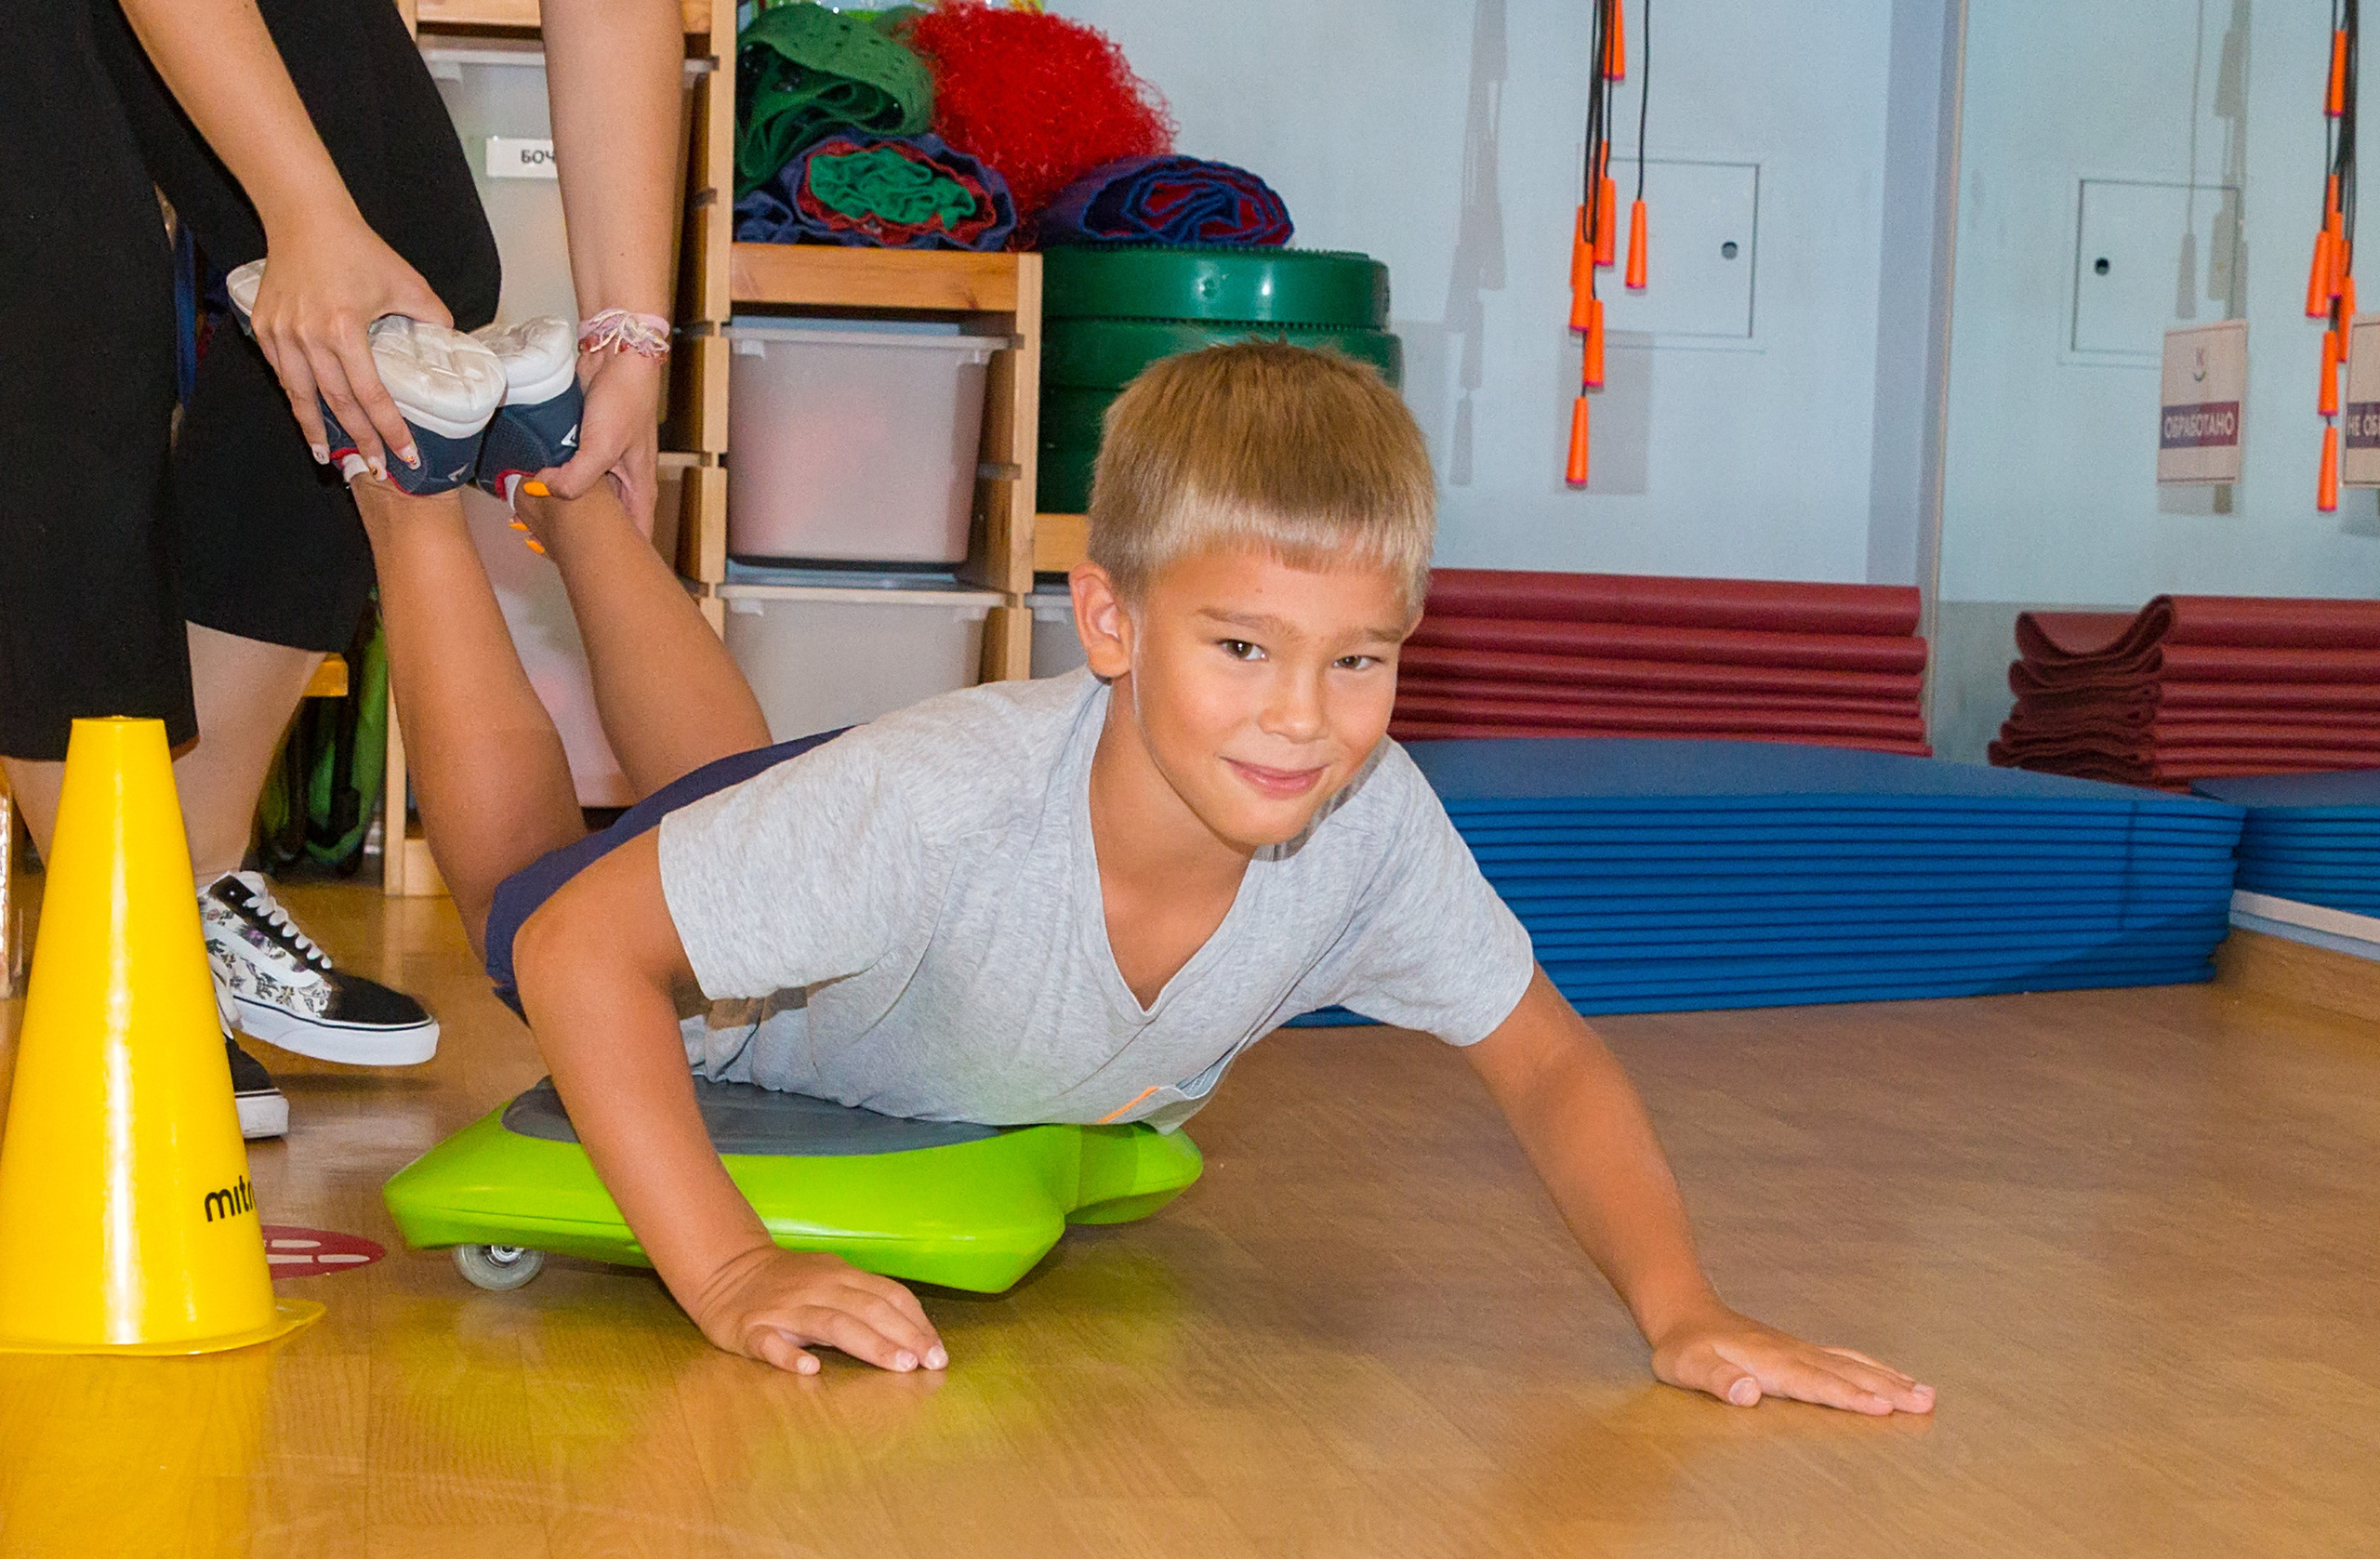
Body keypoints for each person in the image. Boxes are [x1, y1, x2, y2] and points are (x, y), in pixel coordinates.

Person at [375, 339, 1934, 1416]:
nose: (1302, 719)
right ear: (1110, 623)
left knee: (756, 805)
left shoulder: (1369, 821)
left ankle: (571, 486)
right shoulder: (946, 807)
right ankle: (416, 487)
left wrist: (1683, 1309)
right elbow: (590, 950)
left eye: (1359, 661)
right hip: (810, 912)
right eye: (1243, 648)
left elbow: (1550, 1062)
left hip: (853, 833)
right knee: (530, 896)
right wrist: (724, 1270)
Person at [1, 0, 688, 1136]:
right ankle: (121, 948)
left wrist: (631, 332)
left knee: (405, 294)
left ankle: (179, 886)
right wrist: (299, 209)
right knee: (63, 304)